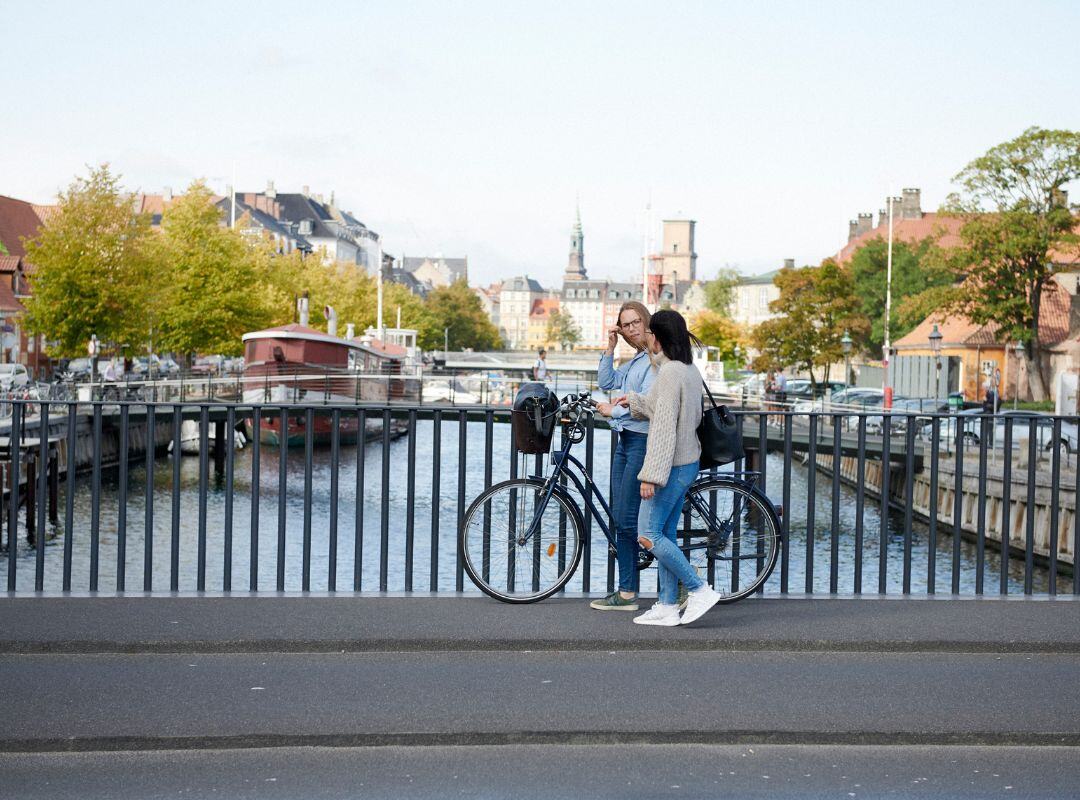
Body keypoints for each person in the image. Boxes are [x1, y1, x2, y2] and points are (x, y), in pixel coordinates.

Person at [618, 309, 722, 627]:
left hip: (672, 466)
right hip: (687, 463)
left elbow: (663, 428)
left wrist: (650, 476)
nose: (646, 338)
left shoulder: (669, 373)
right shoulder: (686, 369)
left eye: (649, 334)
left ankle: (698, 589)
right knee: (665, 535)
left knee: (648, 535)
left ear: (659, 337)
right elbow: (661, 407)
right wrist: (630, 401)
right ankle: (665, 604)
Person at [591, 301, 655, 611]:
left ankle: (634, 589)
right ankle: (627, 591)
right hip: (624, 442)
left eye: (635, 322)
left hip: (641, 443)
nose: (630, 328)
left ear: (646, 321)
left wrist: (612, 410)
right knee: (621, 518)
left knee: (628, 520)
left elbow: (645, 405)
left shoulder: (655, 360)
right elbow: (606, 382)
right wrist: (610, 347)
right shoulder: (635, 362)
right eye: (625, 324)